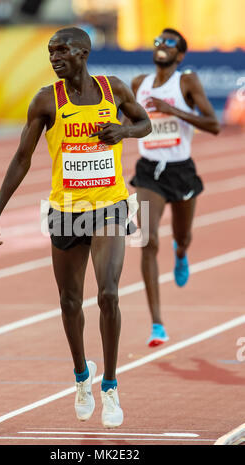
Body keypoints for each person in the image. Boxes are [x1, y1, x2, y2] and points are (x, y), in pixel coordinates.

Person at [0, 27, 151, 428]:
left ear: (83, 52)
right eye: (50, 51)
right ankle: (81, 378)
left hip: (110, 206)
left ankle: (109, 385)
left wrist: (123, 131)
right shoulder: (46, 100)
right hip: (66, 210)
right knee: (70, 302)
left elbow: (145, 125)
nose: (54, 57)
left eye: (61, 50)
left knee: (108, 293)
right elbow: (22, 158)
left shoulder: (113, 89)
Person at [129, 28, 220, 347]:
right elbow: (130, 122)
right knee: (147, 240)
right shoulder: (138, 84)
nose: (162, 45)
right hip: (148, 171)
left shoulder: (186, 82)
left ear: (180, 55)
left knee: (182, 237)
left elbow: (214, 125)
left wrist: (173, 110)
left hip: (181, 170)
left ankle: (180, 253)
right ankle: (157, 324)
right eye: (158, 41)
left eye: (170, 43)